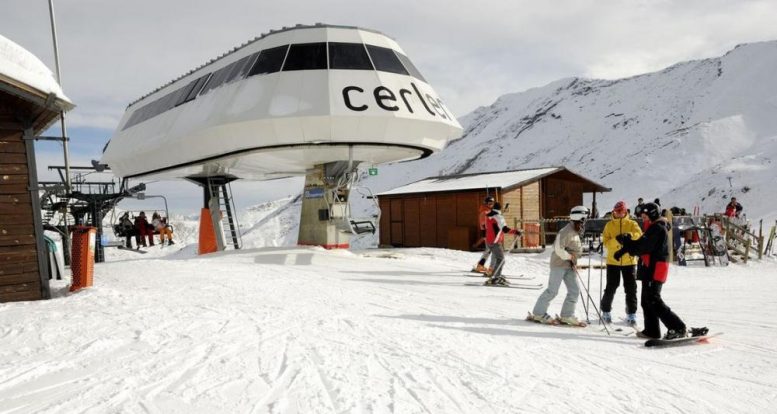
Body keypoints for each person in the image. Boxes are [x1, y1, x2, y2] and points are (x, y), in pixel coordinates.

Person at [614, 202, 687, 339]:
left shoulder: (657, 228)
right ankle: (652, 330)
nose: (643, 218)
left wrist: (627, 243)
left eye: (645, 216)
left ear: (652, 214)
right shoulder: (653, 227)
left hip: (655, 269)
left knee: (653, 300)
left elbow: (642, 247)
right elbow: (641, 245)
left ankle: (678, 327)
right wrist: (625, 246)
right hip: (650, 268)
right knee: (646, 301)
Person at [529, 205, 588, 326]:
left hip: (569, 266)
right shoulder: (566, 231)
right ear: (579, 216)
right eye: (584, 217)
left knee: (574, 291)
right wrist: (570, 257)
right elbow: (557, 248)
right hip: (559, 265)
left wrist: (573, 260)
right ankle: (539, 313)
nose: (585, 220)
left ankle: (567, 315)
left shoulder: (575, 229)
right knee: (552, 290)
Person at [600, 201, 642, 326]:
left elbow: (639, 235)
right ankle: (606, 311)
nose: (619, 213)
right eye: (617, 211)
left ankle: (631, 313)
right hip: (613, 261)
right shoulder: (609, 225)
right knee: (611, 287)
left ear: (626, 211)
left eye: (621, 211)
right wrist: (617, 240)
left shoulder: (632, 223)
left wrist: (629, 235)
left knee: (631, 288)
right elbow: (606, 243)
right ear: (613, 212)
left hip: (629, 261)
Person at [483, 202, 523, 286]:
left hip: (489, 241)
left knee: (497, 259)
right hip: (495, 242)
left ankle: (495, 275)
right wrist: (516, 232)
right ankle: (496, 277)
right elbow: (505, 229)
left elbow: (495, 226)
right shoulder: (498, 217)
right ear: (500, 209)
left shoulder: (488, 215)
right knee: (501, 260)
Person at [472, 196, 496, 273]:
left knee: (488, 250)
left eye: (492, 203)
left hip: (489, 234)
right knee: (491, 250)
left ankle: (480, 265)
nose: (491, 205)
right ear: (486, 203)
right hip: (488, 233)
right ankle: (489, 268)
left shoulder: (488, 211)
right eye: (489, 203)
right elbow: (484, 224)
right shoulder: (485, 212)